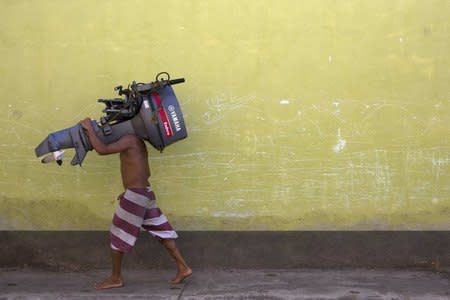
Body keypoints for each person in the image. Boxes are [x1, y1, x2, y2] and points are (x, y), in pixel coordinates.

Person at [80, 118, 192, 290]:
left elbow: (102, 150)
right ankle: (183, 268)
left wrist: (89, 129)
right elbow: (146, 171)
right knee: (162, 230)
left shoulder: (129, 139)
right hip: (144, 193)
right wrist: (132, 190)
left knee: (117, 234)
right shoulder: (138, 141)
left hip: (136, 195)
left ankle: (116, 278)